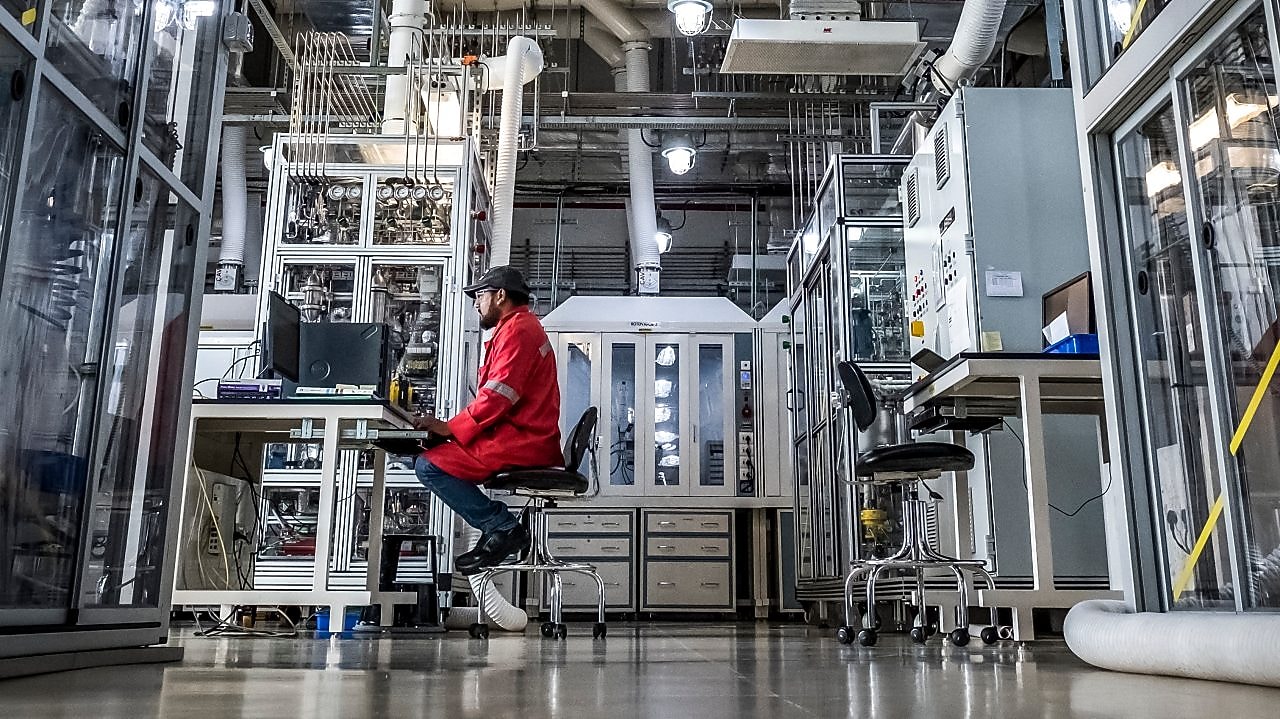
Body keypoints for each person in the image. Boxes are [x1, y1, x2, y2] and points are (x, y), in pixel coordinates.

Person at [411, 266, 562, 575]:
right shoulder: (517, 328)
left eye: (480, 296)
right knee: (432, 458)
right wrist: (452, 430)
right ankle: (497, 528)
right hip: (518, 435)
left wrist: (450, 428)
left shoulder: (519, 330)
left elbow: (498, 396)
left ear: (500, 296)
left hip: (522, 440)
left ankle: (502, 526)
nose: (476, 304)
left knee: (429, 466)